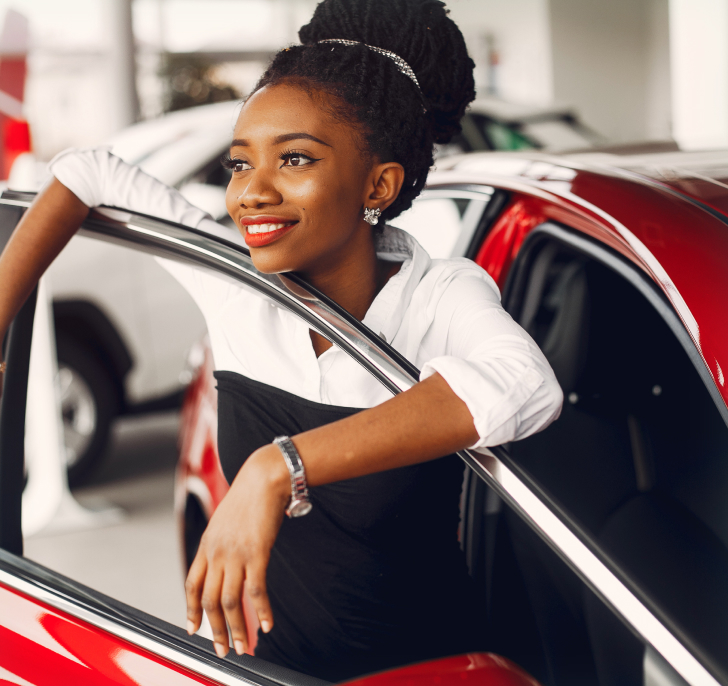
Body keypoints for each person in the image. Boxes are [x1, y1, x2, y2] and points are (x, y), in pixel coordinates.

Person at [0, 0, 563, 680]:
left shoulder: (438, 295)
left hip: (429, 668)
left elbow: (525, 386)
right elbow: (85, 171)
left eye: (293, 159)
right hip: (263, 669)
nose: (250, 194)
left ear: (377, 184)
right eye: (240, 165)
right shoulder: (234, 282)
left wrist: (279, 467)